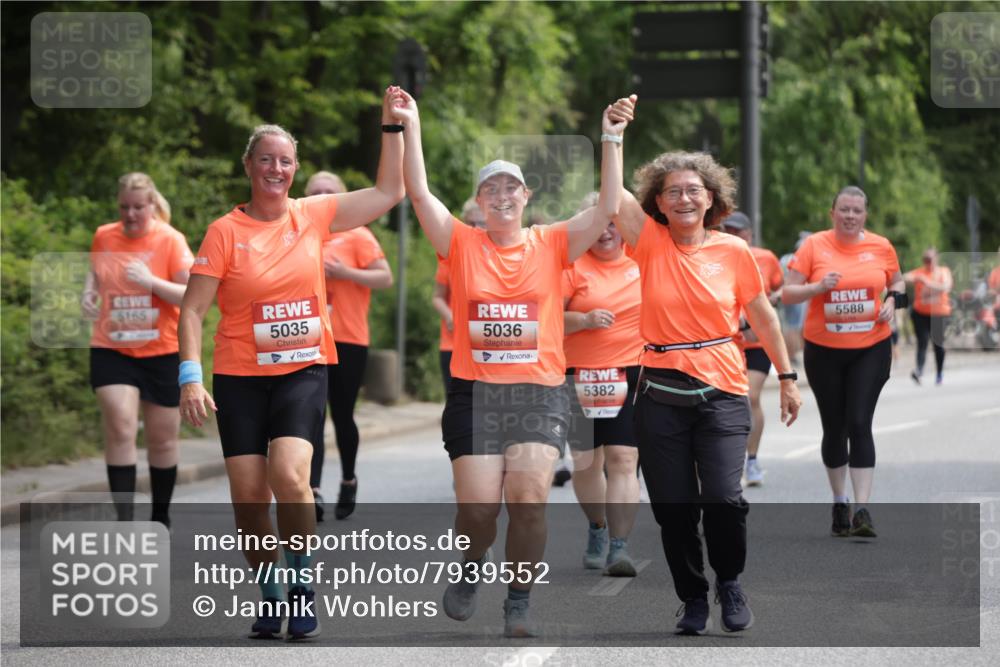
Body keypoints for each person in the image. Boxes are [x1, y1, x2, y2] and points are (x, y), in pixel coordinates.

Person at [396, 87, 632, 638]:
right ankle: (472, 562)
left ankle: (518, 599)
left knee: (527, 499)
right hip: (475, 393)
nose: (500, 196)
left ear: (525, 196)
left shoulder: (551, 243)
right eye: (489, 189)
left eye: (510, 187)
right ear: (478, 202)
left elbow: (606, 206)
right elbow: (418, 191)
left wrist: (611, 136)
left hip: (540, 391)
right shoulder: (459, 243)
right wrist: (411, 124)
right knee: (478, 511)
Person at [178, 89, 404, 640]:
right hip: (239, 376)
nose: (275, 168)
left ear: (295, 169)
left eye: (285, 160)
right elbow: (192, 310)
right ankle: (271, 593)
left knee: (289, 476)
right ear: (249, 167)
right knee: (249, 503)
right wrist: (190, 377)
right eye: (265, 159)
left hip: (303, 369)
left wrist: (391, 128)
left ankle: (301, 583)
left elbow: (389, 190)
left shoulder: (315, 215)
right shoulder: (225, 232)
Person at [613, 146, 801, 636]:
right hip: (659, 391)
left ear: (711, 198)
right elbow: (613, 197)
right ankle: (693, 597)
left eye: (693, 190)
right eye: (671, 191)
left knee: (722, 497)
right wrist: (613, 138)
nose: (683, 198)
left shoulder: (733, 251)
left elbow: (761, 314)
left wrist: (786, 376)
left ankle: (730, 582)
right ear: (657, 201)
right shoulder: (649, 242)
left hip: (721, 390)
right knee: (673, 509)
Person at [783, 185, 905, 541]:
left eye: (857, 211)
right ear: (832, 213)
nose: (851, 216)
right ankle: (840, 501)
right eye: (844, 210)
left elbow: (897, 281)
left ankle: (862, 509)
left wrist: (893, 304)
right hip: (824, 350)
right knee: (834, 427)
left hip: (871, 346)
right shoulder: (814, 246)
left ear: (865, 215)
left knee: (859, 421)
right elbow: (788, 292)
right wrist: (818, 287)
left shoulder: (881, 246)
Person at [82, 172, 193, 528]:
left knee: (162, 439)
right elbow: (95, 273)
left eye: (138, 208)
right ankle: (125, 520)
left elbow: (192, 298)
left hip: (161, 351)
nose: (130, 215)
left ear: (152, 206)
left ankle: (160, 514)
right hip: (112, 348)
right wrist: (89, 293)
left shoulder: (171, 240)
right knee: (121, 425)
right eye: (124, 207)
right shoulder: (104, 235)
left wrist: (152, 283)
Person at [305, 171, 394, 522]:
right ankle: (311, 489)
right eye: (316, 191)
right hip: (305, 337)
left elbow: (385, 277)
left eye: (329, 191)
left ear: (341, 197)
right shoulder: (299, 233)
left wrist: (346, 273)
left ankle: (348, 478)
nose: (322, 195)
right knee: (310, 415)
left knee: (342, 414)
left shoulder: (358, 234)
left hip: (347, 338)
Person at [562, 193, 643, 576]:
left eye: (613, 223)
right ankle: (597, 526)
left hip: (630, 372)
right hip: (578, 374)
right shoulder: (571, 266)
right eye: (597, 223)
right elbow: (546, 319)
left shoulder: (644, 261)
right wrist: (583, 321)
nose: (606, 231)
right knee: (586, 463)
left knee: (624, 459)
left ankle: (619, 546)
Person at [721, 212, 784, 487]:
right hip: (725, 343)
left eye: (739, 232)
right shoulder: (716, 253)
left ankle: (753, 459)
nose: (734, 236)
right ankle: (730, 459)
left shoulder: (766, 258)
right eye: (729, 231)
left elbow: (781, 288)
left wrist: (773, 301)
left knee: (750, 396)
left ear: (750, 234)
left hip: (756, 343)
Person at [433, 199, 486, 397]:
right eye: (471, 223)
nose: (477, 228)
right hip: (453, 343)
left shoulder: (502, 257)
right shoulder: (452, 257)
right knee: (456, 400)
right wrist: (449, 316)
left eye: (482, 223)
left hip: (488, 346)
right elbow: (437, 297)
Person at [904, 247, 952, 385]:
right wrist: (914, 278)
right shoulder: (920, 272)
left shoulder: (943, 271)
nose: (927, 262)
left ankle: (939, 373)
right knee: (922, 342)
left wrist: (927, 282)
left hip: (939, 314)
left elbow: (946, 286)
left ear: (936, 258)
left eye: (929, 259)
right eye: (925, 259)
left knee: (938, 345)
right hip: (921, 314)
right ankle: (919, 371)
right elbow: (904, 277)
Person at [779, 231, 811, 367]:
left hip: (786, 292)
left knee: (790, 325)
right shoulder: (797, 259)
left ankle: (792, 354)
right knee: (794, 326)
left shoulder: (786, 258)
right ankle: (792, 355)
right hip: (797, 294)